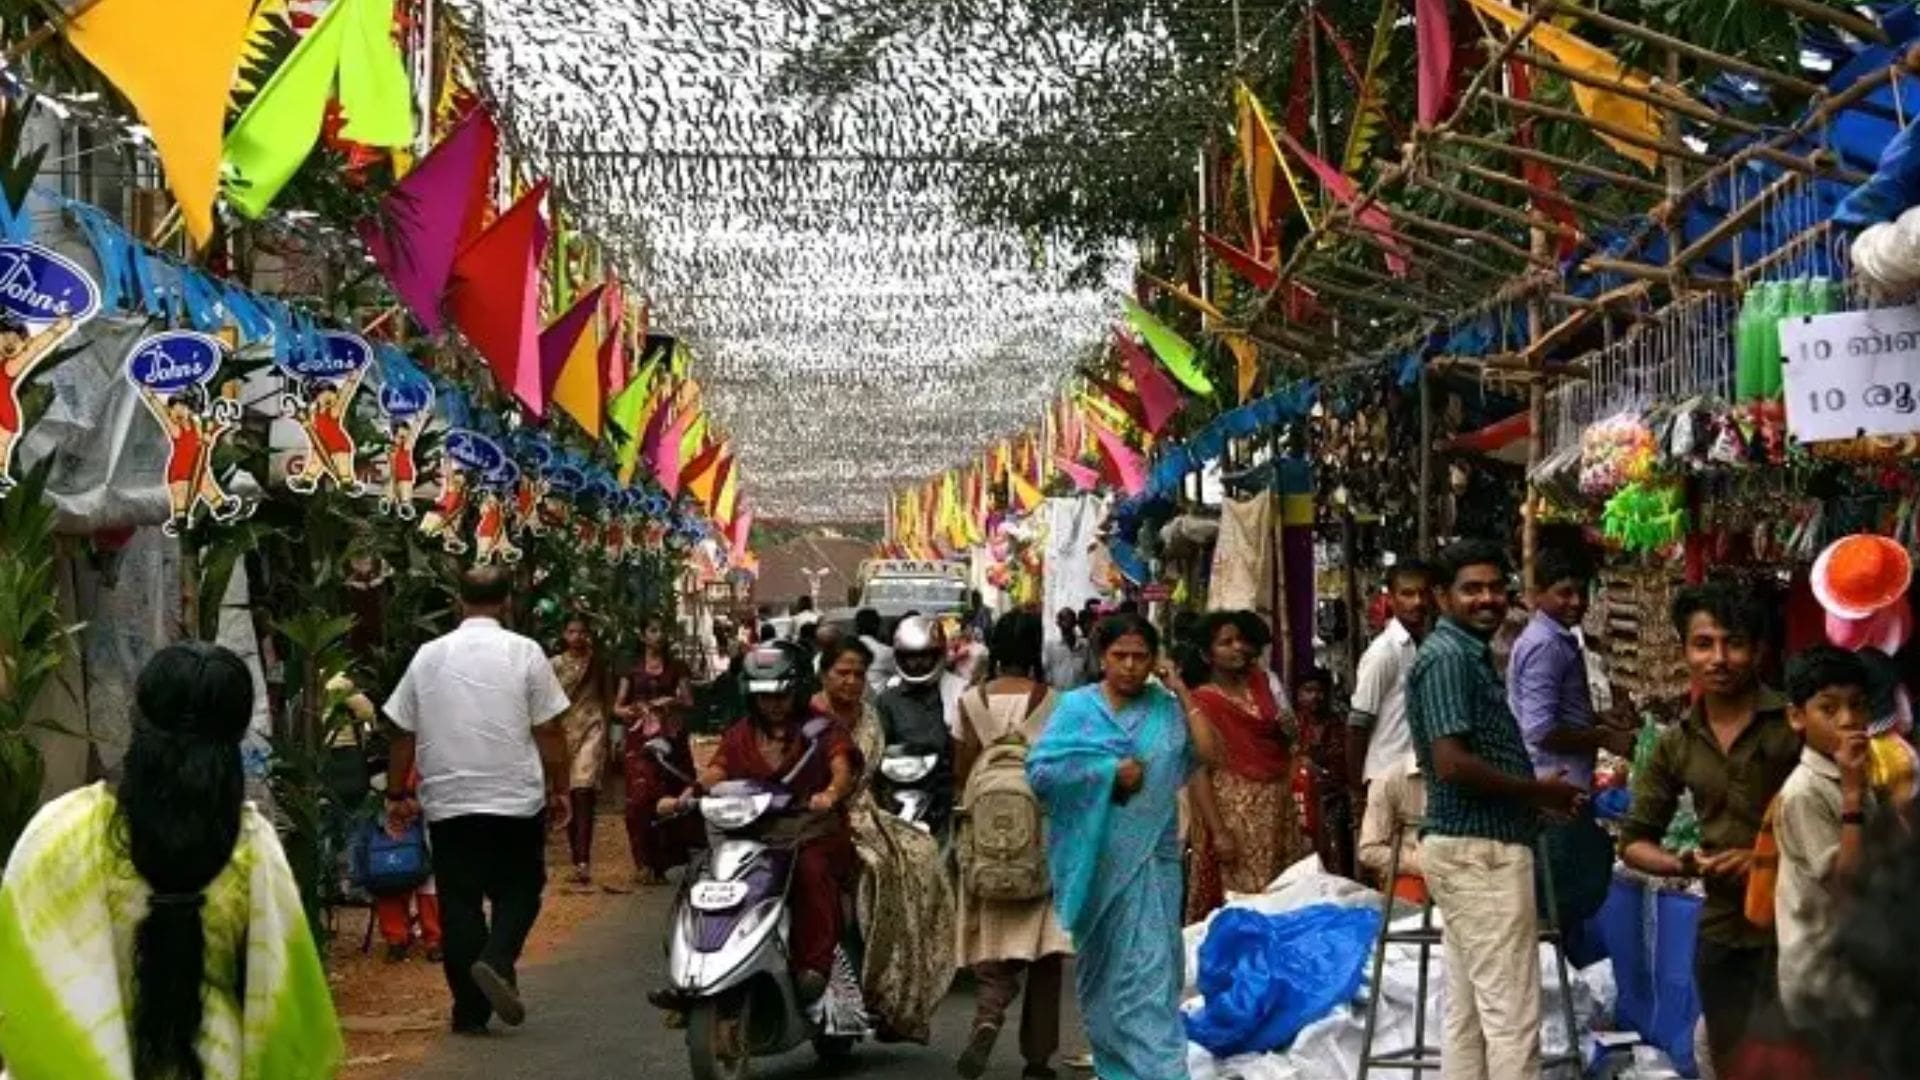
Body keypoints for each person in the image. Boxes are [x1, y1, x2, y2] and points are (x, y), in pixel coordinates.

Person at [0, 642, 342, 1078]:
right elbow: (285, 994)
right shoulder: (251, 844)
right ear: (235, 737)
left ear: (137, 718)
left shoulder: (61, 832)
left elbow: (26, 992)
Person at [1407, 539, 1586, 1080]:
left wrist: (1532, 796)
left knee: (1469, 1017)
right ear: (1443, 596)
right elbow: (1452, 763)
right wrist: (1536, 792)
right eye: (1471, 589)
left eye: (1494, 587)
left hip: (1479, 845)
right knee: (1512, 1016)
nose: (1487, 599)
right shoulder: (1447, 659)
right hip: (1478, 851)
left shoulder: (1465, 654)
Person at [1028, 614, 1223, 1080]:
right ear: (1102, 657)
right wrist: (1107, 773)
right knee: (1105, 990)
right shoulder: (1077, 709)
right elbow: (1042, 775)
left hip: (1153, 870)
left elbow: (1212, 755)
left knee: (1151, 986)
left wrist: (1181, 689)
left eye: (1141, 656)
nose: (1131, 666)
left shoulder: (1166, 710)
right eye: (1120, 656)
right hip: (1097, 871)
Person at [383, 567, 573, 1033]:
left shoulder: (428, 656)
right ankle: (498, 958)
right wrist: (561, 786)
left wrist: (396, 792)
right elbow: (549, 728)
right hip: (514, 795)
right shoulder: (526, 652)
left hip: (450, 798)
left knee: (459, 901)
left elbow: (402, 730)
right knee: (521, 888)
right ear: (507, 602)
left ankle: (469, 1012)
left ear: (457, 601)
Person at [1618, 583, 1800, 1071]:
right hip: (1722, 930)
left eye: (1734, 643)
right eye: (1704, 644)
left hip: (1800, 926)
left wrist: (1767, 860)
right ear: (1685, 652)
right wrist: (1684, 862)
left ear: (1758, 650)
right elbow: (1634, 841)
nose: (1719, 658)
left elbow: (1849, 824)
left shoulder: (1796, 724)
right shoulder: (1676, 743)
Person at [673, 642, 858, 1000]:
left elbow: (841, 767)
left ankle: (813, 966)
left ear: (798, 691)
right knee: (703, 877)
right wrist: (689, 794)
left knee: (811, 871)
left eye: (781, 695)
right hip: (753, 832)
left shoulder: (821, 728)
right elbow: (718, 769)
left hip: (810, 831)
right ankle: (694, 969)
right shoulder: (741, 732)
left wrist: (830, 794)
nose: (773, 704)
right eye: (764, 696)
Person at [811, 636, 955, 1042]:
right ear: (825, 675)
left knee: (924, 855)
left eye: (859, 674)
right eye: (843, 673)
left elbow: (878, 774)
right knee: (879, 870)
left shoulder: (872, 717)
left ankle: (898, 996)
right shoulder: (807, 715)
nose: (852, 681)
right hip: (816, 817)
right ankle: (874, 985)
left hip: (866, 813)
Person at [954, 612, 1073, 1080]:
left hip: (986, 837)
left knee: (990, 937)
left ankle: (987, 1014)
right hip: (1041, 835)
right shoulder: (1056, 702)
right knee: (1045, 951)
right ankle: (1038, 1058)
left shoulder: (970, 701)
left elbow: (962, 771)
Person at [1509, 548, 1633, 958]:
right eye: (1564, 593)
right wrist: (1600, 736)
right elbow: (1541, 728)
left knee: (1564, 903)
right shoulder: (1547, 645)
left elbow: (1552, 713)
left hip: (1558, 788)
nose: (1576, 603)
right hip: (1557, 791)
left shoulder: (1554, 640)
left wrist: (1598, 720)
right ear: (1538, 594)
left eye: (1581, 593)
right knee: (1567, 899)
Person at [1772, 647, 1877, 1028]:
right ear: (1797, 717)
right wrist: (1852, 797)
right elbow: (1845, 882)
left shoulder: (1862, 773)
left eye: (1857, 705)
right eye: (1829, 709)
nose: (1849, 720)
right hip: (1825, 981)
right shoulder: (1805, 792)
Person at [1183, 610, 1306, 921]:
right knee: (1244, 901)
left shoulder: (1264, 684)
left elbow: (1289, 740)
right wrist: (1218, 831)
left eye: (1241, 640)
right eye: (1226, 642)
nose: (1238, 647)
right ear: (1206, 653)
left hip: (1277, 807)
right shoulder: (1202, 701)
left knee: (1285, 894)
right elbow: (1197, 771)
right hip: (1234, 812)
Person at [615, 617, 698, 886]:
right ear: (642, 636)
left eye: (661, 629)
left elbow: (688, 700)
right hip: (640, 740)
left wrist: (670, 701)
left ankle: (663, 863)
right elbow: (617, 706)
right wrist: (630, 711)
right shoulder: (632, 669)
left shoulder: (677, 667)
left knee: (672, 797)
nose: (658, 634)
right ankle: (643, 862)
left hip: (671, 740)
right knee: (639, 798)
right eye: (652, 630)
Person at [1348, 561, 1432, 807]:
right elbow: (1358, 724)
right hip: (1386, 775)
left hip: (1414, 773)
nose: (1417, 601)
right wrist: (1356, 790)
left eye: (1422, 593)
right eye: (1407, 594)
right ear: (1391, 600)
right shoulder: (1384, 652)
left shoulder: (1420, 646)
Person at [875, 615, 959, 835]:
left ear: (938, 655)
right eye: (910, 657)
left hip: (946, 792)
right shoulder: (888, 700)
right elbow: (880, 749)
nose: (917, 663)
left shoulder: (959, 692)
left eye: (924, 656)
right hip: (900, 793)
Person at [551, 615, 612, 886]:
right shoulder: (554, 665)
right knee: (568, 793)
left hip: (592, 730)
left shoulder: (597, 664)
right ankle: (577, 857)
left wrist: (613, 735)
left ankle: (583, 860)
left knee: (583, 790)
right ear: (564, 635)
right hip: (563, 733)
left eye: (581, 632)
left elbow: (608, 700)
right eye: (571, 631)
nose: (576, 636)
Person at [1293, 666, 1356, 878]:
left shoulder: (1339, 725)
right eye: (1308, 691)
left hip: (1333, 803)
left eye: (1319, 691)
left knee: (1337, 860)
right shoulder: (1293, 727)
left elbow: (1346, 767)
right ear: (1299, 695)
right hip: (1299, 805)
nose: (1315, 697)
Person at [1358, 761, 1429, 903]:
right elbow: (1368, 850)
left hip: (1464, 871)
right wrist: (1419, 863)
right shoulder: (1389, 779)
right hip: (1412, 873)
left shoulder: (1470, 776)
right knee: (1410, 915)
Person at [1042, 606, 1085, 690]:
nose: (1067, 623)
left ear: (1075, 622)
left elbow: (1092, 671)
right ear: (1057, 623)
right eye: (1063, 619)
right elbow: (1046, 670)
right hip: (1058, 693)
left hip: (1080, 694)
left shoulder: (1084, 645)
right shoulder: (1050, 645)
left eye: (1070, 619)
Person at [856, 607, 898, 691]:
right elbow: (901, 673)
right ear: (878, 627)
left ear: (856, 627)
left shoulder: (846, 650)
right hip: (876, 701)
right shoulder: (886, 652)